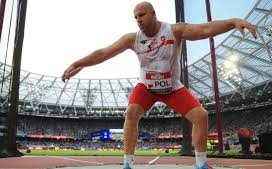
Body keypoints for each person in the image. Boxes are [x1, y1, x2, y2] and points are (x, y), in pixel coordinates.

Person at [61, 1, 257, 169]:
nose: (138, 19)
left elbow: (204, 29)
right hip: (146, 87)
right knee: (131, 112)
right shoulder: (132, 39)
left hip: (171, 88)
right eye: (135, 16)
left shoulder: (174, 30)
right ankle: (128, 163)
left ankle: (201, 163)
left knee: (201, 116)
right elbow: (103, 53)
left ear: (153, 14)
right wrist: (78, 64)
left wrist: (233, 22)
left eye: (142, 15)